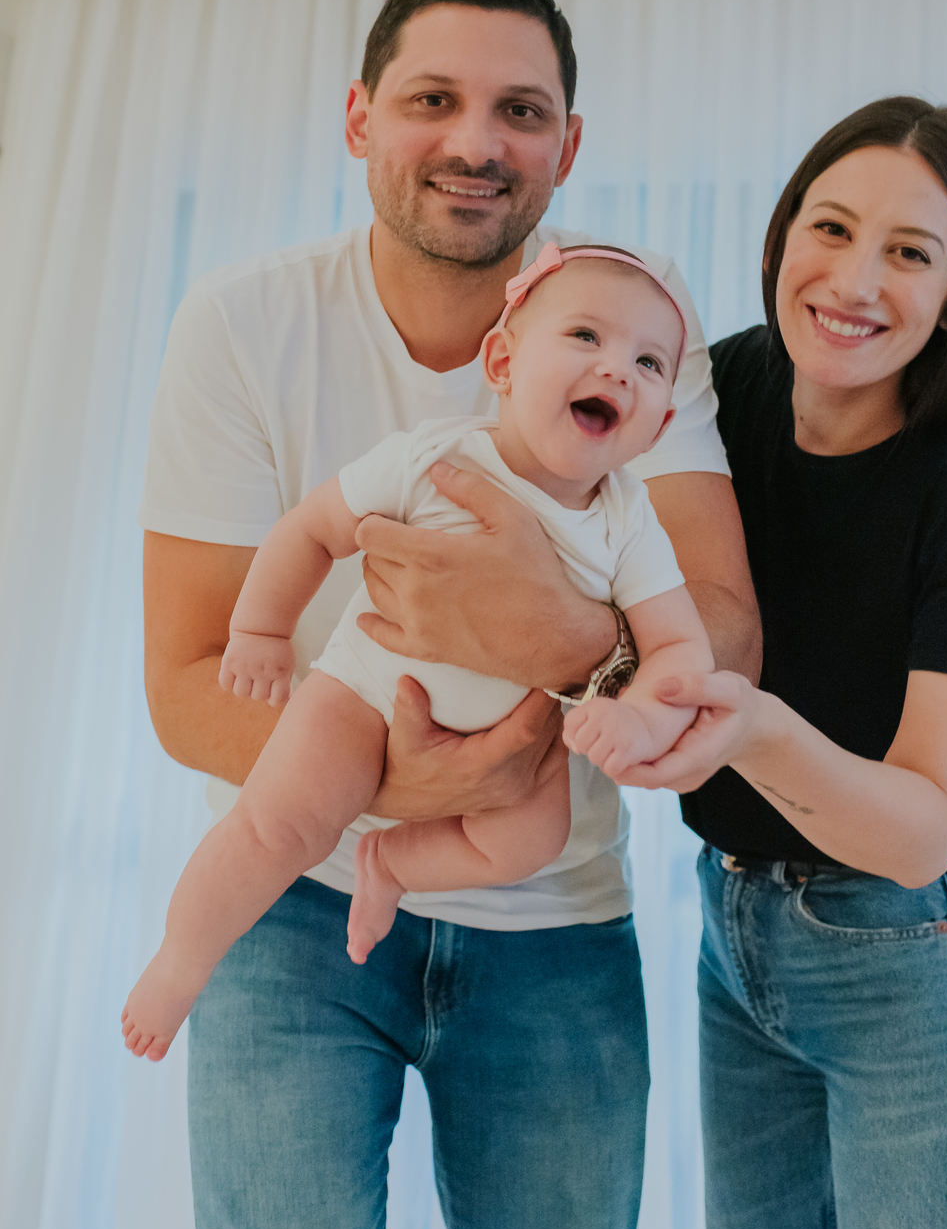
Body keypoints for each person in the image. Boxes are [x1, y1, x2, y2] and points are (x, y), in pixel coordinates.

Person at [138, 0, 760, 1229]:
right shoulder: (246, 328)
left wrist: (556, 636)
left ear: (567, 146)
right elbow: (186, 681)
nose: (477, 141)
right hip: (293, 918)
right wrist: (402, 783)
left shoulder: (629, 340)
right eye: (434, 99)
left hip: (557, 940)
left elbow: (723, 639)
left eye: (519, 110)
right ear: (361, 118)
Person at [602, 98, 947, 1229]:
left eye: (912, 253)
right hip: (735, 940)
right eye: (832, 226)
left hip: (916, 965)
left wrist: (745, 720)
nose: (856, 279)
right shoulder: (724, 387)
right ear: (783, 232)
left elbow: (927, 820)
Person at [124, 243, 714, 1057]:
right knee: (281, 821)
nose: (617, 369)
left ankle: (395, 863)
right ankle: (179, 962)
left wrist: (643, 720)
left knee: (530, 841)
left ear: (660, 424)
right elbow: (312, 530)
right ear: (503, 361)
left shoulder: (628, 524)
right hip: (363, 697)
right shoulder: (436, 457)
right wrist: (260, 629)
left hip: (523, 747)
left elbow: (682, 648)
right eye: (585, 337)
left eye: (648, 362)